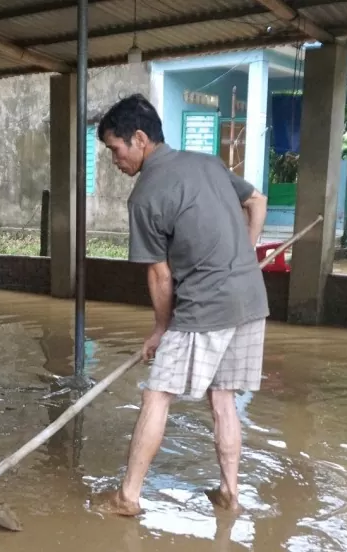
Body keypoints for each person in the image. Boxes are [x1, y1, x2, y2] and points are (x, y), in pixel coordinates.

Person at [95, 94, 269, 516]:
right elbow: (257, 201)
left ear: (138, 139)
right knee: (223, 399)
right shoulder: (207, 163)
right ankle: (230, 493)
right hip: (251, 299)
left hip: (206, 306)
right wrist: (244, 256)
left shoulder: (145, 196)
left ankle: (127, 498)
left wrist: (160, 329)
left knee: (156, 395)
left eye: (115, 150)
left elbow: (159, 275)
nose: (114, 161)